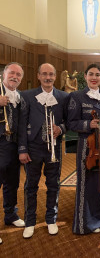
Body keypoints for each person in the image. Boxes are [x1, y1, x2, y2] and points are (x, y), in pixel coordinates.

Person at [18, 63, 69, 239]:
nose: (48, 77)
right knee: (31, 185)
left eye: (51, 74)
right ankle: (30, 221)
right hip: (33, 147)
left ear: (55, 77)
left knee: (53, 184)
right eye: (44, 74)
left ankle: (51, 219)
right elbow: (22, 125)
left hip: (53, 147)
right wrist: (22, 149)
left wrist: (60, 129)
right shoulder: (27, 95)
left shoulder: (63, 96)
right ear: (39, 76)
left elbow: (69, 121)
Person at [67, 64, 100, 234]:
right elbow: (71, 123)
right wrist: (88, 124)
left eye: (97, 75)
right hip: (88, 145)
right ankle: (87, 222)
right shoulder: (77, 96)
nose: (94, 77)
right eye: (91, 74)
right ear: (85, 76)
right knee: (88, 183)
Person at [0, 62, 25, 244]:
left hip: (14, 147)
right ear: (4, 74)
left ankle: (10, 215)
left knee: (12, 183)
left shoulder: (19, 97)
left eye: (18, 75)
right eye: (11, 73)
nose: (14, 77)